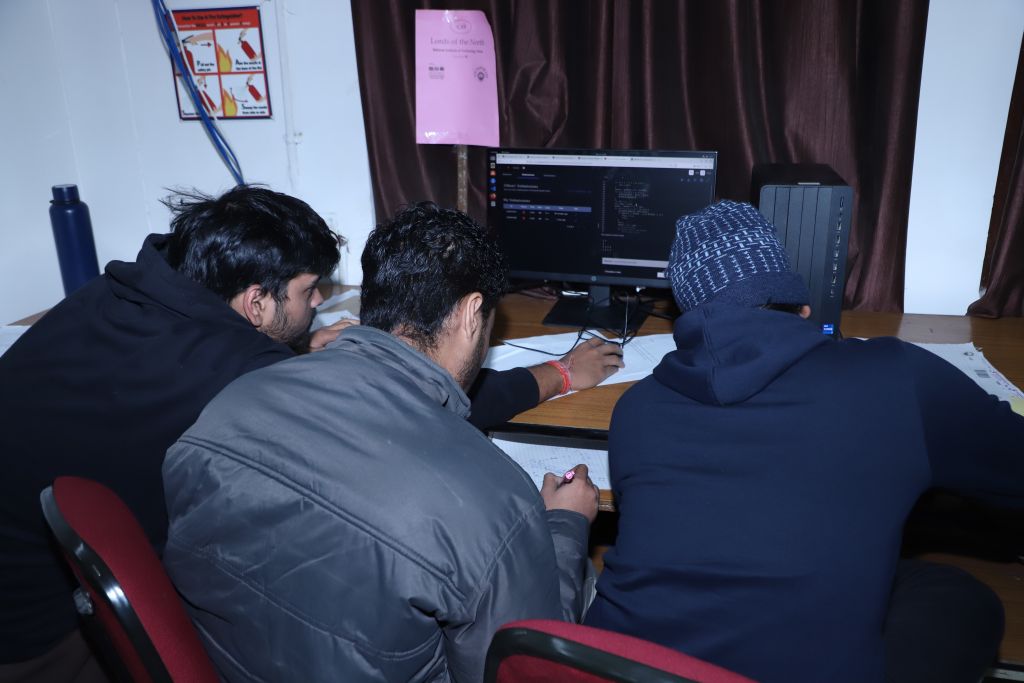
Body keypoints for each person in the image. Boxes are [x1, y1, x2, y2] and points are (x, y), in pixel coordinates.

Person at [585, 200, 1024, 683]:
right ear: (804, 309)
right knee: (965, 598)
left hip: (619, 668)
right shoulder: (895, 378)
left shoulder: (636, 408)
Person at [162, 202, 599, 682]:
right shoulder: (497, 504)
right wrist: (565, 525)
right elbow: (525, 671)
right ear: (473, 313)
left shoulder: (226, 407)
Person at [0, 185, 342, 681]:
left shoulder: (120, 287)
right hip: (33, 636)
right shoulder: (235, 372)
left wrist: (296, 348)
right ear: (256, 302)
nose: (319, 301)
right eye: (309, 290)